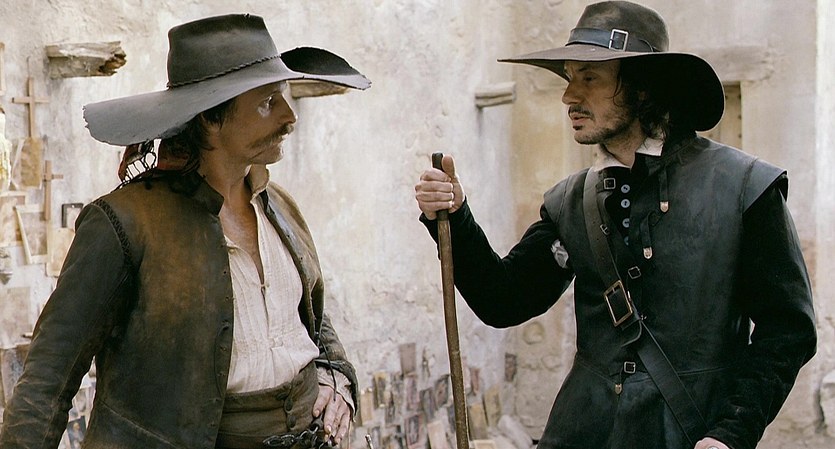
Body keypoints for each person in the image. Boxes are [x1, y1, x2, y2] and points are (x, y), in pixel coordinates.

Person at [414, 2, 816, 449]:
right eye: (569, 78)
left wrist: (731, 434)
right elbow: (503, 300)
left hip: (688, 436)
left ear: (642, 89)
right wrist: (455, 216)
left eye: (589, 78)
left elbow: (788, 331)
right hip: (580, 434)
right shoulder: (571, 201)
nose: (569, 96)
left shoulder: (745, 187)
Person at [0, 13, 370, 449]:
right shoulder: (124, 224)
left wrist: (336, 376)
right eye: (268, 102)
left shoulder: (279, 206)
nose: (290, 116)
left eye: (284, 96)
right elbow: (48, 378)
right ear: (210, 118)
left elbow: (309, 314)